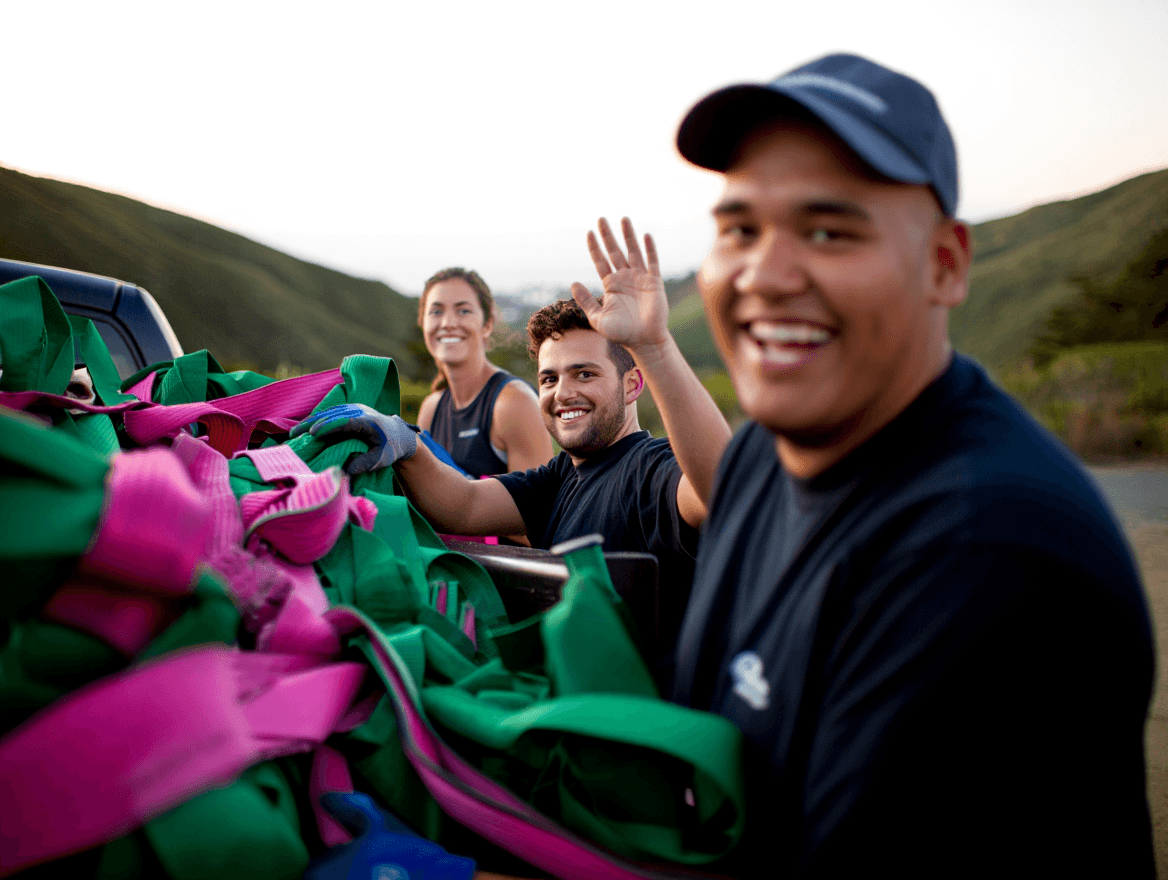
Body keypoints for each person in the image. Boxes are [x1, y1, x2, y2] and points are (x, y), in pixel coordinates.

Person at [667, 53, 1156, 876]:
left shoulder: (986, 551)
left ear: (946, 264)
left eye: (829, 230)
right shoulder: (759, 455)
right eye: (740, 229)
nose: (766, 274)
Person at [297, 218, 731, 665]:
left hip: (642, 718)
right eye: (549, 378)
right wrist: (404, 442)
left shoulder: (650, 469)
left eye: (585, 373)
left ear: (633, 384)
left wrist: (655, 346)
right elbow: (463, 504)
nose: (563, 393)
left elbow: (722, 490)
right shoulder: (561, 478)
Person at [414, 267, 552, 477]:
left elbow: (538, 505)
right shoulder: (431, 410)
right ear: (423, 324)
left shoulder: (514, 402)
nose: (448, 323)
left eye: (463, 311)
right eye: (436, 311)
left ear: (487, 324)